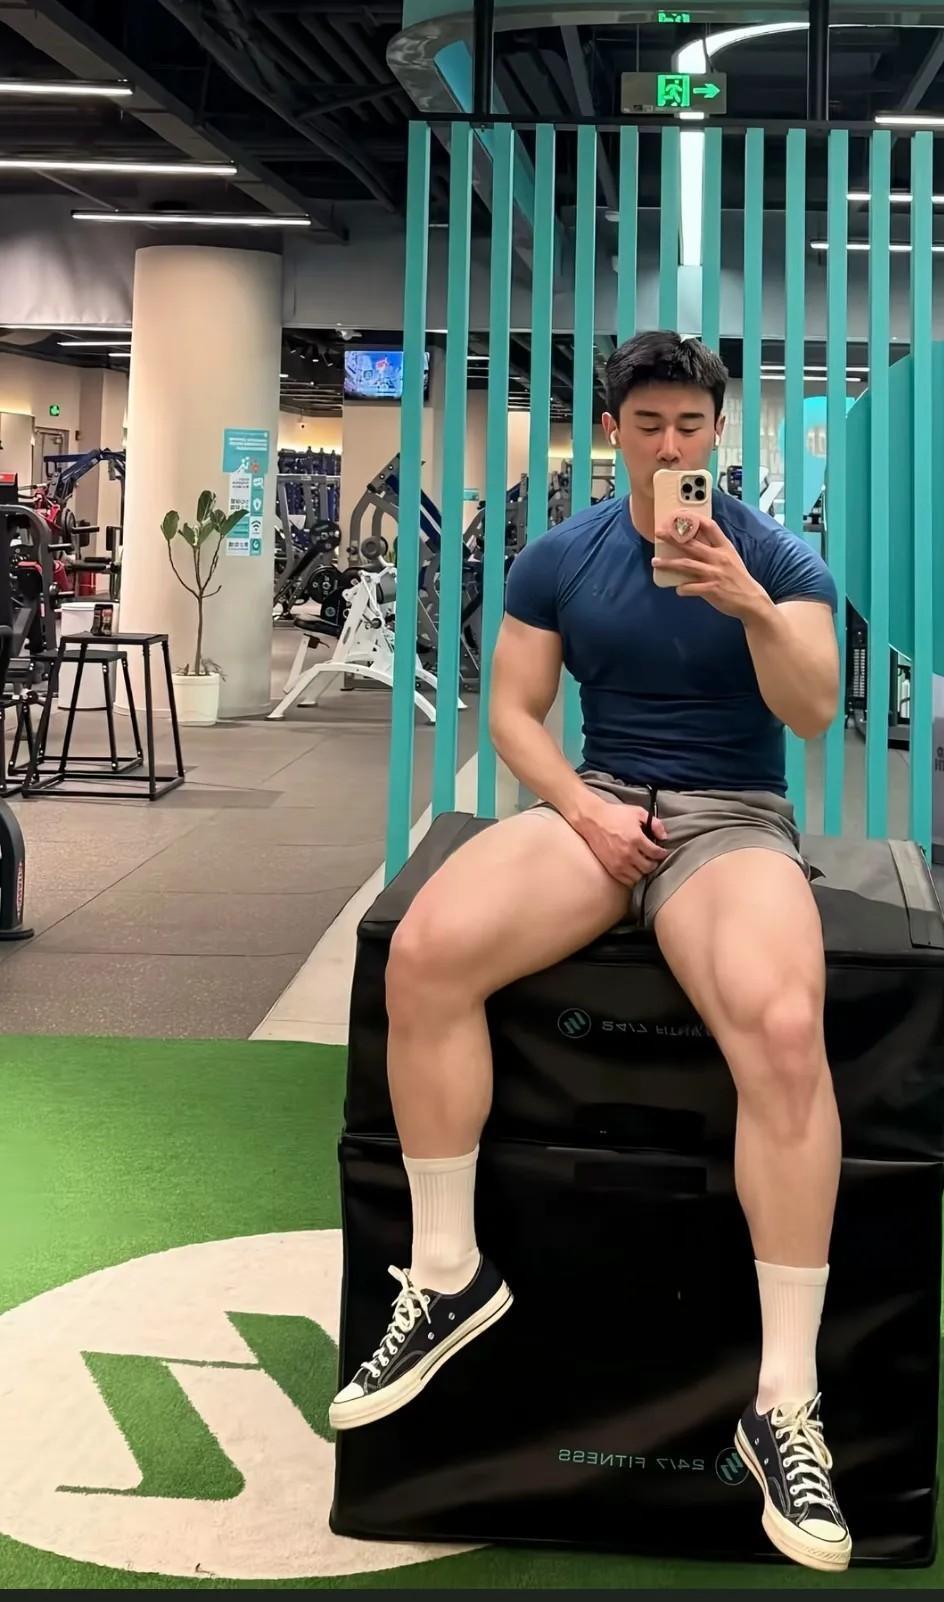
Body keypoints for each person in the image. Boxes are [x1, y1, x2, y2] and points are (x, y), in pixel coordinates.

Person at [330, 331, 849, 1574]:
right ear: (612, 431)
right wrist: (581, 809)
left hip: (732, 820)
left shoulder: (780, 558)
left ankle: (784, 1403)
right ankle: (448, 1273)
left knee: (785, 1029)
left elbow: (814, 709)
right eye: (649, 425)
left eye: (692, 426)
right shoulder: (559, 555)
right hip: (601, 803)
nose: (672, 447)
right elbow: (513, 714)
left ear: (719, 430)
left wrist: (744, 602)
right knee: (423, 952)